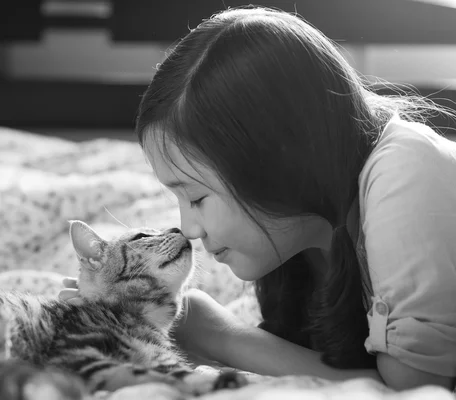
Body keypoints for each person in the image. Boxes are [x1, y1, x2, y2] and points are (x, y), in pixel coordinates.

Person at [60, 6, 456, 391]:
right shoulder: (306, 239)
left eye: (196, 197)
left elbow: (412, 391)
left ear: (274, 164)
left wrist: (219, 334)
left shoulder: (405, 175)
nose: (188, 229)